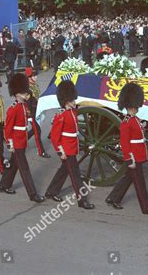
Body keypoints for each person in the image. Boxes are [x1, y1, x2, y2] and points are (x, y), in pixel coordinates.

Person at [105, 83, 148, 216]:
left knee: (128, 177)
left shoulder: (134, 120)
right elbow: (125, 143)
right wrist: (130, 159)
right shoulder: (127, 122)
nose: (137, 109)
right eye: (135, 106)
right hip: (134, 156)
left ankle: (113, 198)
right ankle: (147, 208)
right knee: (139, 182)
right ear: (131, 106)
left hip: (139, 153)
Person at [45, 80, 95, 209]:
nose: (74, 102)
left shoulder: (72, 112)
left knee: (64, 170)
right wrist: (60, 151)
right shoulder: (61, 115)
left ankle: (51, 191)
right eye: (72, 100)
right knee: (75, 174)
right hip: (66, 148)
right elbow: (55, 137)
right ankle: (82, 200)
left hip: (72, 146)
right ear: (66, 101)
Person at [0, 73, 45, 203]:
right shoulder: (13, 109)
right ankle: (33, 194)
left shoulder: (23, 106)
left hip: (22, 140)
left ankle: (4, 185)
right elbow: (7, 129)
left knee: (14, 164)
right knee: (24, 168)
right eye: (23, 93)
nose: (26, 95)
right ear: (17, 94)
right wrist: (10, 144)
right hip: (16, 142)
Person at [25, 67, 51, 158]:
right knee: (37, 131)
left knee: (35, 130)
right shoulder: (27, 88)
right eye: (34, 76)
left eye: (36, 76)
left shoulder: (34, 85)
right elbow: (27, 103)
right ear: (29, 77)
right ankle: (41, 151)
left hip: (36, 110)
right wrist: (29, 115)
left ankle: (22, 141)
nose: (36, 77)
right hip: (31, 112)